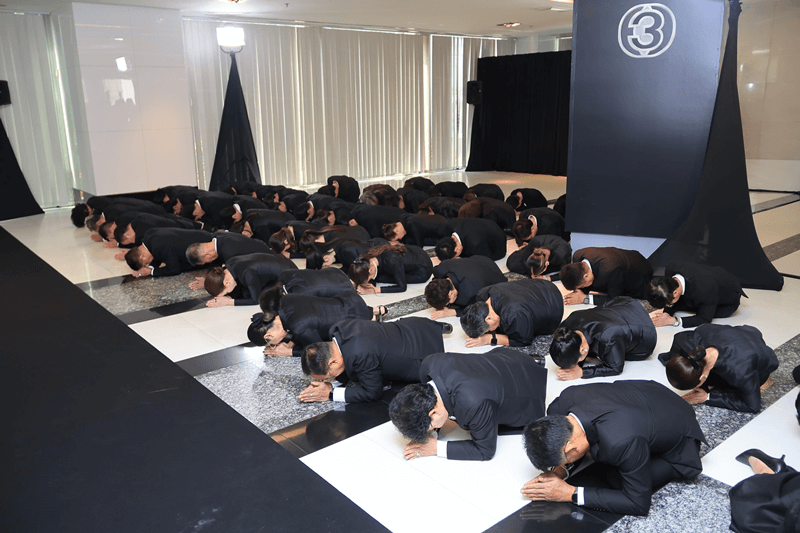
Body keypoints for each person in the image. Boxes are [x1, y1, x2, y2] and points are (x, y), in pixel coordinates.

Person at [522, 380, 705, 516]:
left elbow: (638, 503)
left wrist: (570, 493)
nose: (564, 464)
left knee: (616, 479)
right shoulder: (562, 404)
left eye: (565, 460)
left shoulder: (622, 441)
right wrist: (561, 470)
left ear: (570, 449)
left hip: (682, 435)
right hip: (650, 394)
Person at [388, 348, 547, 461]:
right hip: (505, 358)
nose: (433, 430)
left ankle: (534, 366)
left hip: (527, 392)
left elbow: (485, 451)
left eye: (430, 428)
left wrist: (436, 448)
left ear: (433, 413)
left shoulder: (473, 404)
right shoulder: (429, 364)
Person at [298, 317, 449, 403]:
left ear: (333, 362)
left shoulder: (360, 355)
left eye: (328, 376)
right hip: (415, 326)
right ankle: (437, 328)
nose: (330, 379)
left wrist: (331, 394)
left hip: (422, 356)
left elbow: (373, 392)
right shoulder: (338, 329)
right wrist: (332, 384)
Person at [658, 324, 779, 413]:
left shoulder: (740, 371)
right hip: (735, 336)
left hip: (757, 357)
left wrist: (707, 397)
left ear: (702, 377)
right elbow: (679, 339)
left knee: (728, 388)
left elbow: (753, 406)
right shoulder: (698, 333)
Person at [248, 286, 380, 356]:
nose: (274, 345)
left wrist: (290, 352)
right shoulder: (286, 300)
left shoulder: (299, 329)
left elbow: (322, 350)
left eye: (271, 344)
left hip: (358, 320)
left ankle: (373, 317)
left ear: (268, 336)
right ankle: (377, 310)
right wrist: (292, 342)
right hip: (349, 299)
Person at [550, 297, 657, 380]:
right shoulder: (566, 327)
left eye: (577, 361)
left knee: (610, 351)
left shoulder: (608, 338)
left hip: (645, 334)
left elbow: (616, 368)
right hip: (622, 307)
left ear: (582, 350)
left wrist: (582, 372)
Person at [460, 279, 564, 347]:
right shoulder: (483, 293)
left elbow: (523, 341)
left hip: (554, 306)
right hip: (543, 284)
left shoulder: (513, 315)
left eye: (488, 329)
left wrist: (488, 339)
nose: (491, 331)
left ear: (488, 318)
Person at [647, 261, 746, 328]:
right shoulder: (670, 268)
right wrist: (665, 312)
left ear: (675, 292)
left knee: (695, 310)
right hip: (706, 281)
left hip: (727, 300)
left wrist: (673, 320)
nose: (667, 306)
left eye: (668, 304)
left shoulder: (705, 288)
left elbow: (704, 318)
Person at [560, 247, 653, 306]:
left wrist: (585, 298)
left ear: (586, 276)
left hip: (639, 273)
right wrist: (579, 292)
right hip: (617, 261)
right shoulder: (577, 255)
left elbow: (615, 299)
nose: (582, 288)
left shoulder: (611, 269)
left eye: (582, 286)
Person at [424, 255, 507, 319]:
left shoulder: (469, 294)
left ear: (451, 293)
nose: (449, 304)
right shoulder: (443, 266)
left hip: (494, 274)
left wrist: (451, 312)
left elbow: (474, 309)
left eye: (448, 303)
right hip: (481, 259)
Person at [201, 253, 298, 307]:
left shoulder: (247, 273)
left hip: (289, 275)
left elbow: (256, 300)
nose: (227, 294)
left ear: (226, 283)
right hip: (281, 261)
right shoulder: (229, 265)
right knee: (244, 292)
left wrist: (227, 301)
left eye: (225, 293)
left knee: (252, 295)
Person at [124, 227, 214, 278]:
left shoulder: (159, 247)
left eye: (145, 264)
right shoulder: (148, 236)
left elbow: (174, 269)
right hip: (202, 234)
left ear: (142, 256)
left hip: (207, 248)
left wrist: (151, 272)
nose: (148, 264)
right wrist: (152, 267)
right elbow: (157, 254)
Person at [349, 243, 433, 294]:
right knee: (379, 276)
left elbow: (402, 287)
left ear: (370, 270)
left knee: (381, 278)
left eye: (368, 279)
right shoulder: (365, 257)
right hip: (416, 252)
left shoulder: (391, 261)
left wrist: (374, 290)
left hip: (422, 270)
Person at [434, 217, 507, 261]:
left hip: (498, 241)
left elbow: (485, 260)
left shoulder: (474, 244)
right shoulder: (449, 224)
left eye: (455, 257)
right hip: (482, 227)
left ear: (457, 249)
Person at [506, 234, 572, 278]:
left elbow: (565, 274)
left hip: (560, 251)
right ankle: (527, 247)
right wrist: (531, 274)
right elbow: (524, 259)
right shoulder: (535, 242)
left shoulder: (561, 256)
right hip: (541, 245)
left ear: (546, 265)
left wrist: (546, 278)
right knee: (513, 264)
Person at [381, 213, 449, 247]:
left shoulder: (412, 225)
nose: (400, 238)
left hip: (444, 231)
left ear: (396, 231)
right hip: (440, 219)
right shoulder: (403, 217)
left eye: (398, 238)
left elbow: (419, 246)